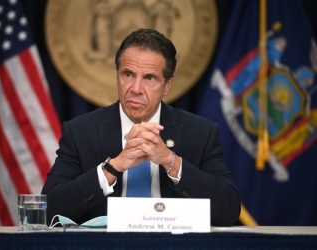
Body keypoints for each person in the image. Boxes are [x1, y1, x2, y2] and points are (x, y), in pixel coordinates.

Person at [42, 28, 240, 226]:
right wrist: (114, 166)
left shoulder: (199, 133)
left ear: (167, 85)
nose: (136, 89)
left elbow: (229, 211)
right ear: (117, 76)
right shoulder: (81, 132)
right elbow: (49, 209)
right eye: (128, 74)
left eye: (149, 78)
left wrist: (169, 161)